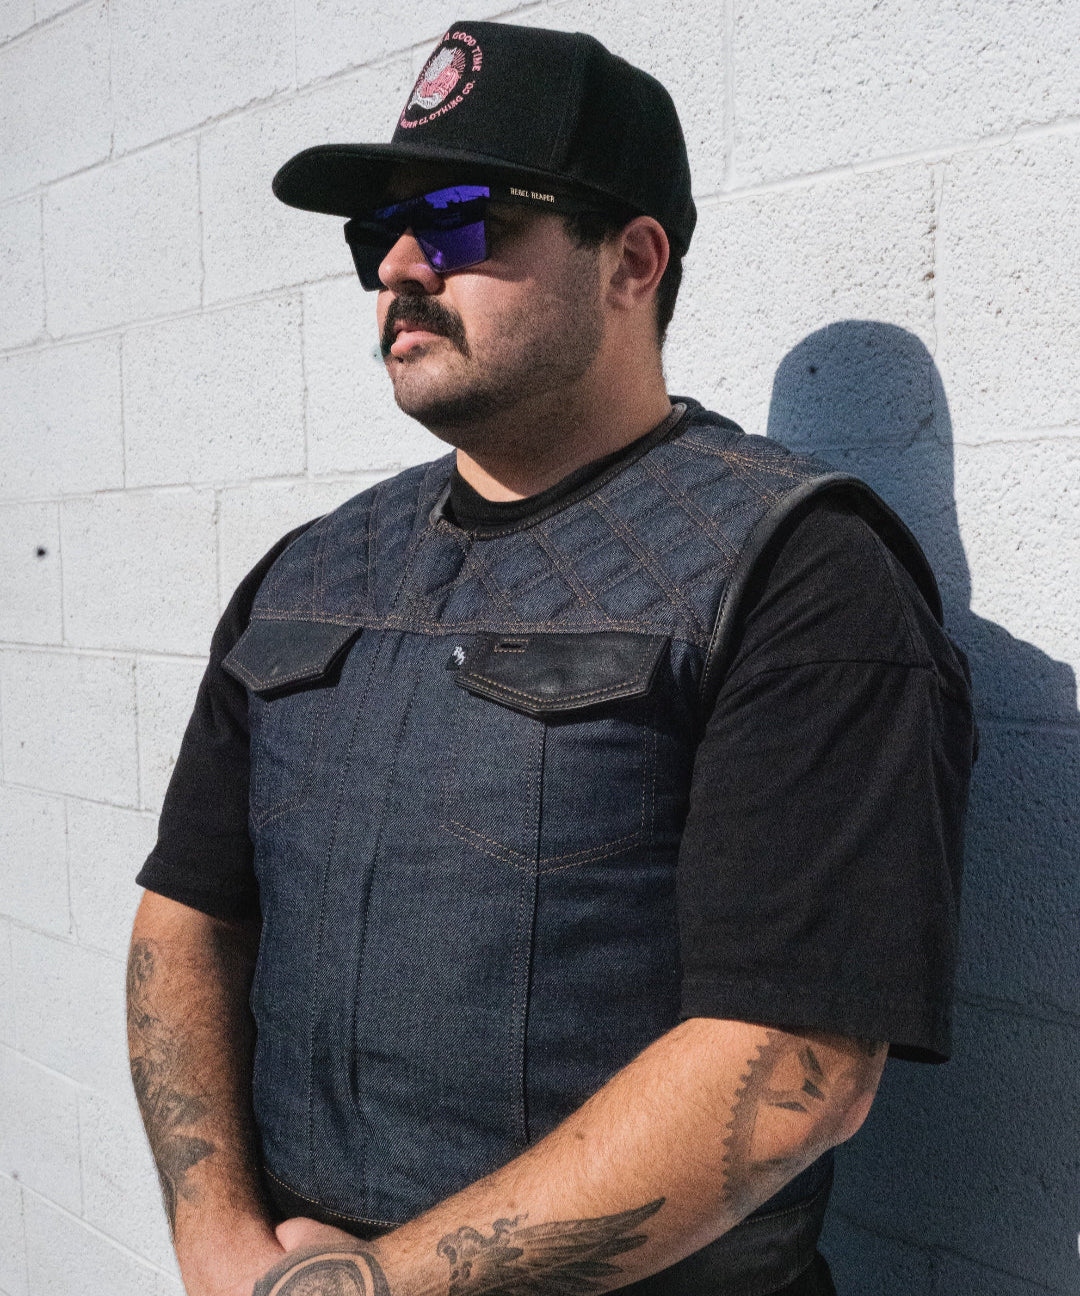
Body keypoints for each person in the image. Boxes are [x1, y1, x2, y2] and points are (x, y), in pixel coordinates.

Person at [128, 20, 975, 1296]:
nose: (399, 267)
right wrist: (219, 1248)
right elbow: (187, 919)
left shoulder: (797, 569)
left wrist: (369, 1288)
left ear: (632, 261)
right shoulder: (312, 569)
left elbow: (796, 1065)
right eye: (378, 234)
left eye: (457, 220)